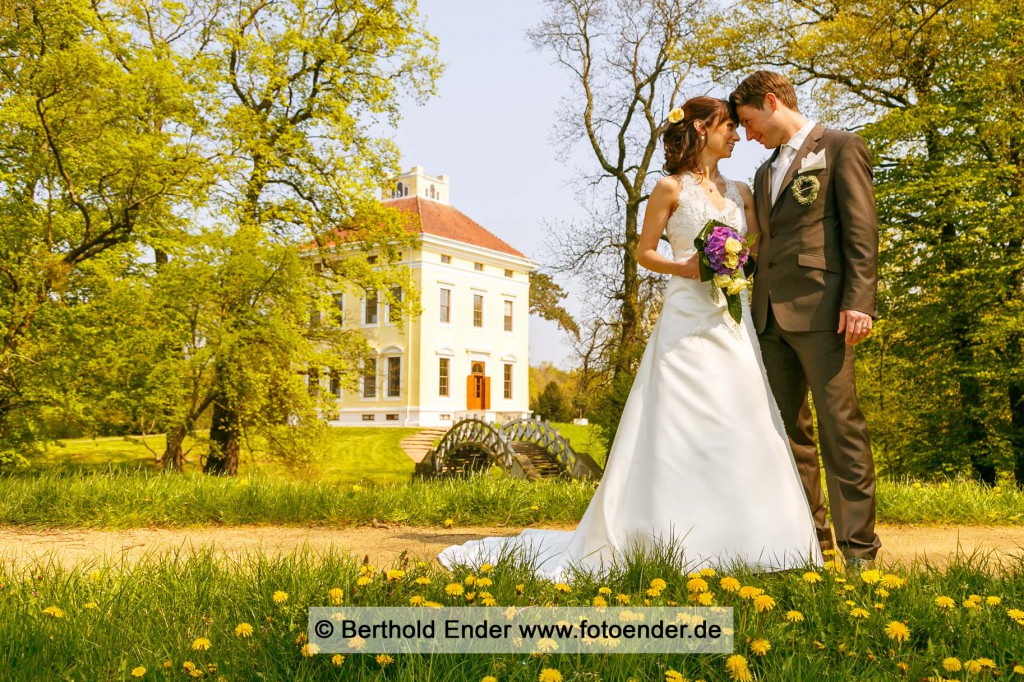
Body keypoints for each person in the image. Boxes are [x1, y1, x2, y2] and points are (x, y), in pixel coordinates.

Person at [438, 96, 822, 579]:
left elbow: (756, 245)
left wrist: (736, 264)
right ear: (702, 129)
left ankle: (757, 538)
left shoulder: (743, 192)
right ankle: (661, 534)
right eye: (727, 126)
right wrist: (685, 266)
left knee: (744, 415)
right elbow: (644, 252)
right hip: (686, 316)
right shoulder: (668, 189)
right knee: (677, 419)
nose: (735, 136)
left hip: (730, 316)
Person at [729, 71, 881, 566]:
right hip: (768, 318)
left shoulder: (839, 147)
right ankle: (813, 546)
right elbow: (768, 245)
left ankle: (860, 553)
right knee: (787, 436)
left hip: (824, 313)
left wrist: (859, 300)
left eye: (751, 123)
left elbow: (862, 232)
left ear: (772, 103)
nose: (748, 136)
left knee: (841, 430)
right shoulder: (762, 173)